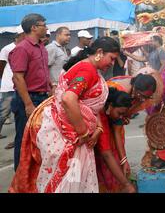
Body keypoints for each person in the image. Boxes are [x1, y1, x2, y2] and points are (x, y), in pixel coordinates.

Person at [9, 37, 120, 193]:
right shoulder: (87, 70)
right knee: (68, 181)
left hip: (71, 133)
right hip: (68, 135)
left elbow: (90, 106)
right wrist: (83, 132)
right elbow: (69, 99)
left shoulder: (89, 68)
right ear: (100, 52)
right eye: (112, 58)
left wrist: (99, 128)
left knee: (72, 180)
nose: (112, 63)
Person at [8, 14, 51, 171]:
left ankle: (34, 170)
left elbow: (43, 72)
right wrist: (28, 104)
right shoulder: (22, 48)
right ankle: (21, 174)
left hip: (41, 97)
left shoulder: (41, 48)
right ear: (34, 27)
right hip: (28, 98)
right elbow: (18, 78)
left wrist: (50, 88)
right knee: (23, 137)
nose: (46, 28)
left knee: (39, 135)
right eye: (43, 25)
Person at [105, 69, 163, 176]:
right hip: (102, 122)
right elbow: (116, 129)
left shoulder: (138, 96)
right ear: (135, 88)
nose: (143, 100)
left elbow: (122, 119)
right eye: (141, 96)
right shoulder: (121, 92)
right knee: (107, 154)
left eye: (146, 97)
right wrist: (124, 161)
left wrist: (124, 117)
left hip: (114, 122)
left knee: (115, 153)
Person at [94, 87, 136, 193]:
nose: (120, 117)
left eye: (123, 115)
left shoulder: (113, 112)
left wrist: (124, 161)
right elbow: (106, 154)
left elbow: (117, 133)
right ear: (111, 106)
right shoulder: (100, 115)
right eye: (119, 113)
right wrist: (126, 185)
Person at [0, 26, 25, 143]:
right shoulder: (7, 49)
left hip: (20, 85)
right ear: (19, 35)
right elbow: (1, 66)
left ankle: (18, 138)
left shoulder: (25, 47)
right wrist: (5, 80)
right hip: (9, 86)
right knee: (4, 112)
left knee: (19, 113)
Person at [46, 26, 71, 95]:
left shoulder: (63, 48)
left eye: (69, 35)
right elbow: (45, 68)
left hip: (61, 86)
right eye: (66, 35)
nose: (69, 37)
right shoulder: (51, 48)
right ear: (58, 35)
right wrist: (51, 86)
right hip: (54, 87)